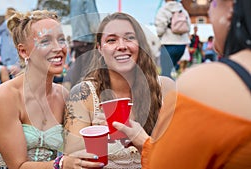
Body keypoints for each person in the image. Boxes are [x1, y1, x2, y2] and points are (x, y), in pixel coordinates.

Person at [113, 0, 251, 168]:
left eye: (212, 3)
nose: (209, 12)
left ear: (230, 7)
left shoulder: (202, 84)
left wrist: (146, 145)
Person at [0, 10, 104, 169]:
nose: (58, 48)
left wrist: (100, 124)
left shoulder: (63, 95)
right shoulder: (6, 96)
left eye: (61, 40)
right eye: (45, 41)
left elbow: (77, 147)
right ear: (23, 51)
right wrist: (61, 164)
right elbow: (17, 166)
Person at [64, 12, 175, 168]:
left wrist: (143, 142)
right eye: (111, 40)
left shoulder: (165, 88)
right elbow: (73, 162)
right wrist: (93, 139)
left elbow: (181, 157)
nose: (122, 46)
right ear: (100, 49)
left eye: (129, 38)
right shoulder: (83, 95)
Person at [63, 0, 100, 89]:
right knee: (89, 71)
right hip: (87, 39)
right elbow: (93, 19)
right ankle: (87, 95)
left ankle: (74, 94)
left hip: (77, 38)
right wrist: (99, 34)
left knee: (79, 70)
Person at [155, 0, 191, 79]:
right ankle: (173, 87)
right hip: (182, 45)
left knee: (165, 73)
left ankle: (167, 90)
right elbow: (188, 27)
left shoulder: (164, 10)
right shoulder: (182, 10)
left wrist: (159, 35)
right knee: (171, 70)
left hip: (168, 44)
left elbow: (160, 29)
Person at [0, 7, 20, 75]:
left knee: (9, 72)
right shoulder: (18, 24)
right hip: (15, 51)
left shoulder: (6, 23)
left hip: (7, 53)